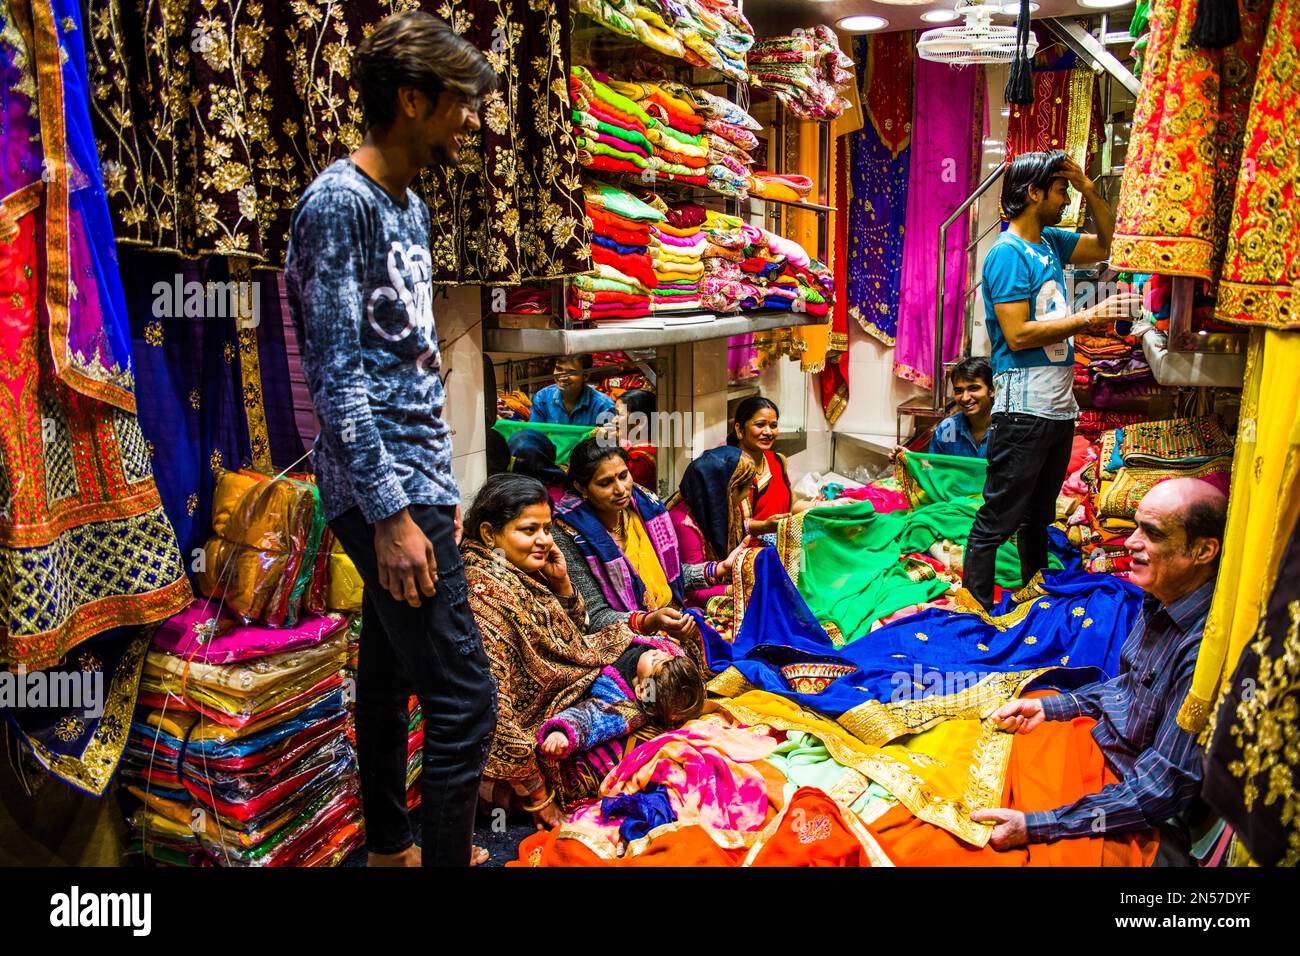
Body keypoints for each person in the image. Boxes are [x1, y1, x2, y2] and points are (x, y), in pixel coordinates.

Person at [284, 11, 497, 868]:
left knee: (391, 674)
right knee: (466, 701)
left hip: (421, 481)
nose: (469, 122)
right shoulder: (340, 205)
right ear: (412, 101)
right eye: (459, 105)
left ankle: (389, 846)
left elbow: (398, 356)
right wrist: (394, 516)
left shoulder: (405, 203)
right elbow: (337, 379)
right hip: (390, 494)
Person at [971, 478, 1227, 862]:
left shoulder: (1202, 649)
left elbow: (1160, 789)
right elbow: (1129, 687)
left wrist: (1038, 825)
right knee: (975, 745)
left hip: (1129, 801)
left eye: (1151, 534)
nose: (1129, 542)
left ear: (1203, 550)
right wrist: (1053, 708)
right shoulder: (1163, 597)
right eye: (1136, 526)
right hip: (1101, 752)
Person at [963, 149, 1144, 611]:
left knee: (1039, 518)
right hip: (1022, 410)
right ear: (1033, 193)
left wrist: (1087, 186)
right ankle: (976, 611)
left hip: (1057, 410)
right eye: (1060, 189)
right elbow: (1018, 334)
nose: (1066, 199)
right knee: (997, 521)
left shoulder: (1048, 242)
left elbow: (1107, 245)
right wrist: (1090, 317)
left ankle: (1032, 598)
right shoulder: (1007, 253)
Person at [462, 473, 650, 824]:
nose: (544, 541)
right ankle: (507, 795)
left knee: (659, 660)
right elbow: (492, 706)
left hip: (566, 688)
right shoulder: (483, 593)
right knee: (644, 731)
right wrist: (539, 798)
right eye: (529, 530)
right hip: (530, 736)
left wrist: (562, 583)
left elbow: (571, 634)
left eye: (547, 529)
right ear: (489, 533)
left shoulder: (508, 568)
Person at [553, 439, 744, 657]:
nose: (620, 489)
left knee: (751, 633)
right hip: (625, 643)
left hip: (671, 619)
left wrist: (720, 569)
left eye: (623, 476)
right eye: (605, 483)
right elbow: (594, 617)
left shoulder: (643, 510)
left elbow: (672, 576)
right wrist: (649, 621)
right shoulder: (569, 533)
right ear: (581, 487)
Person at [670, 397, 852, 559]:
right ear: (740, 429)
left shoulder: (778, 461)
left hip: (782, 537)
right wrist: (765, 526)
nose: (768, 432)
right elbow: (726, 524)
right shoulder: (730, 472)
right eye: (760, 424)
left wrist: (827, 506)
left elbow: (792, 506)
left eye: (773, 425)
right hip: (750, 552)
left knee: (841, 539)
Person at [928, 357, 995, 458]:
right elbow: (934, 469)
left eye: (973, 388)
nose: (965, 398)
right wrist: (910, 460)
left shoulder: (1009, 431)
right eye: (959, 391)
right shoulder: (947, 429)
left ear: (992, 390)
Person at [529, 354, 617, 426]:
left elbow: (606, 443)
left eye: (571, 372)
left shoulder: (604, 406)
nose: (562, 377)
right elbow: (534, 438)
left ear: (586, 376)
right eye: (559, 369)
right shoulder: (542, 398)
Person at [615, 388, 658, 489]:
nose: (614, 420)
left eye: (619, 414)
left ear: (640, 422)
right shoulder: (651, 448)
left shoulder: (639, 461)